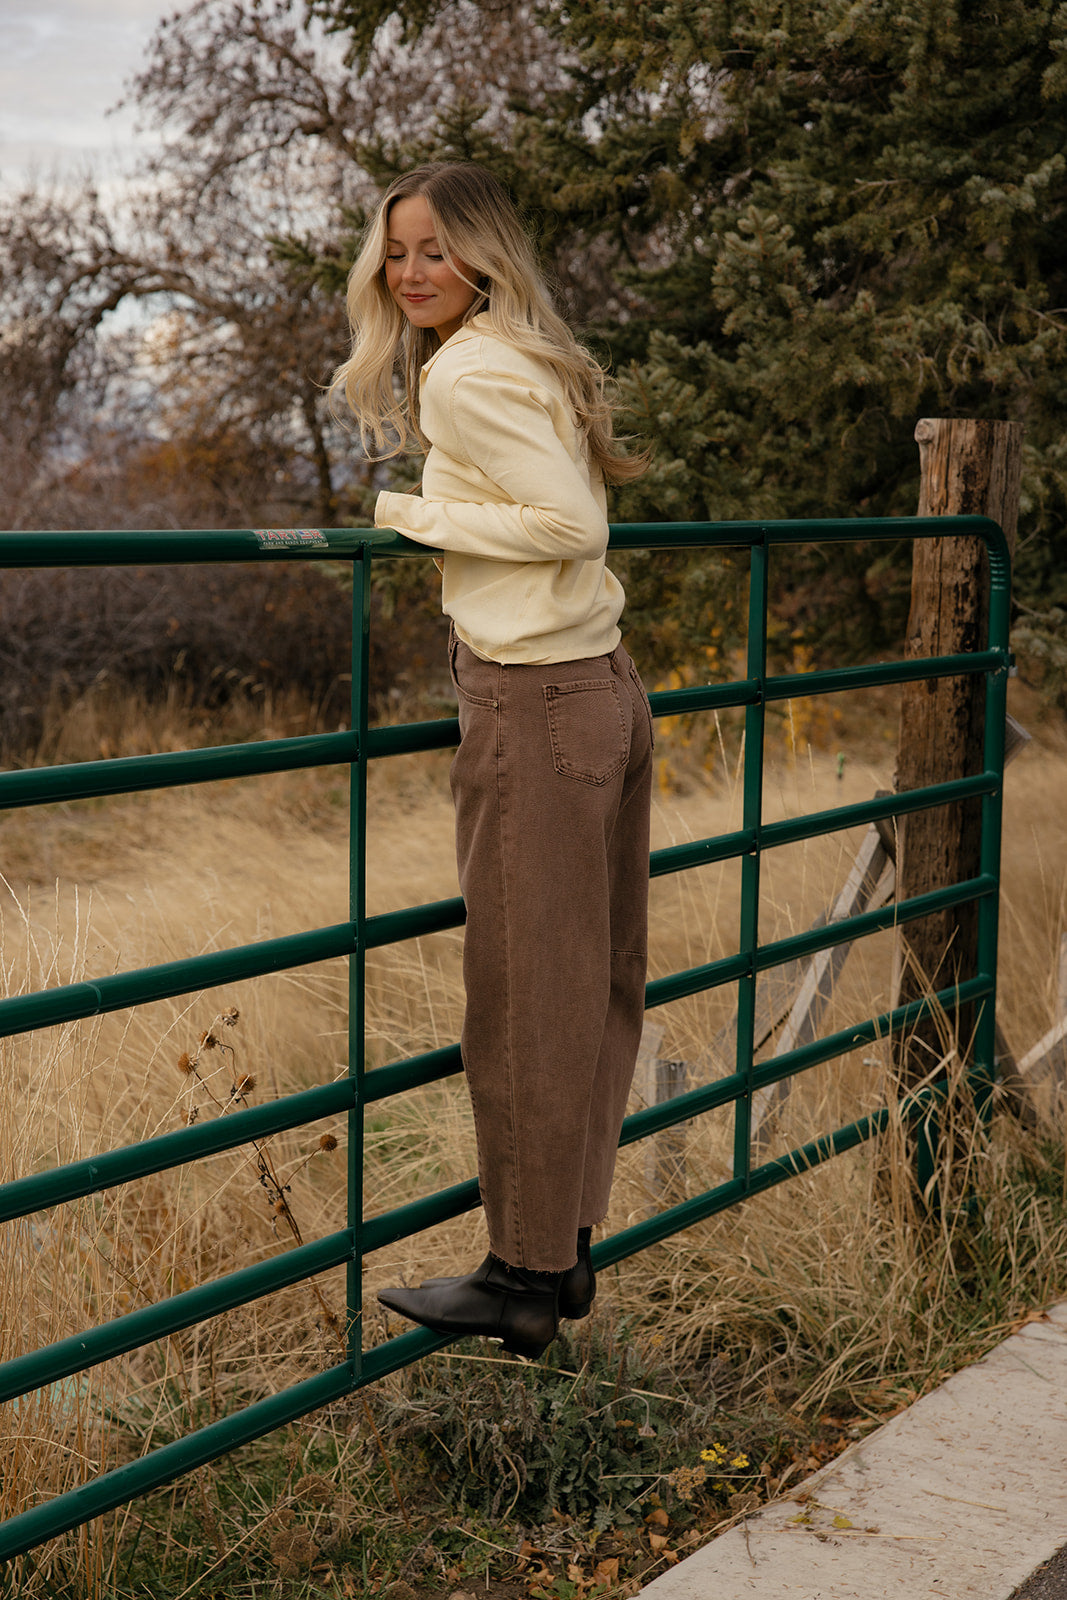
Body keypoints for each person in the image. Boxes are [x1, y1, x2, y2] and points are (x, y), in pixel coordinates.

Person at [331, 161, 654, 1360]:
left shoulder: (469, 370)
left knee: (522, 989)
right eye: (395, 254)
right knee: (595, 979)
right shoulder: (521, 351)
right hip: (601, 686)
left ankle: (519, 1269)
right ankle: (560, 1244)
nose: (411, 275)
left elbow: (572, 523)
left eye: (432, 251)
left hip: (535, 701)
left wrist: (407, 514)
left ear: (481, 253)